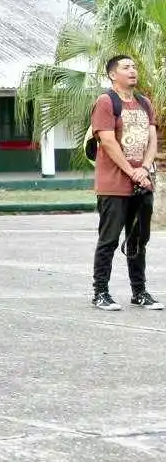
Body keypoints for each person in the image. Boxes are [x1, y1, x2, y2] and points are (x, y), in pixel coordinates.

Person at [90, 54, 163, 311]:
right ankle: (100, 292)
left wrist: (143, 169)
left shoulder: (144, 102)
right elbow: (108, 141)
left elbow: (152, 138)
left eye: (134, 66)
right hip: (114, 184)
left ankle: (139, 292)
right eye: (126, 67)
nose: (132, 70)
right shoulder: (106, 102)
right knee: (109, 240)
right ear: (113, 74)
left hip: (143, 183)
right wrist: (131, 172)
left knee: (138, 240)